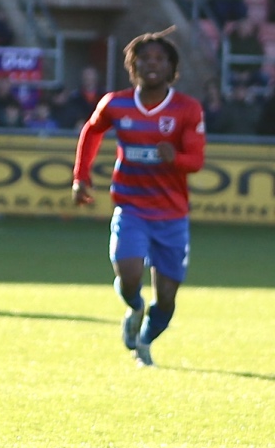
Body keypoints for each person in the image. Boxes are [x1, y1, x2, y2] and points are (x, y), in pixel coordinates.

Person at [72, 31, 206, 366]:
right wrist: (80, 177)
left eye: (160, 59)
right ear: (133, 65)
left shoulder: (186, 109)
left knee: (168, 297)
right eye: (145, 59)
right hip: (131, 208)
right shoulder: (115, 103)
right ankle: (134, 307)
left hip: (172, 216)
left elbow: (196, 160)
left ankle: (144, 340)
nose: (152, 65)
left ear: (171, 67)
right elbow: (91, 131)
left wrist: (174, 157)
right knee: (129, 274)